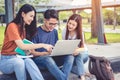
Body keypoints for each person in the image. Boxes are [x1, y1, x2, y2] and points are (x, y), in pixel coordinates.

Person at [0, 4, 53, 80]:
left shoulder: (24, 28)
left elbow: (22, 49)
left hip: (19, 57)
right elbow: (22, 46)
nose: (32, 19)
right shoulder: (12, 26)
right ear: (23, 14)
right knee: (19, 62)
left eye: (33, 17)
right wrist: (43, 45)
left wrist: (30, 52)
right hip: (6, 61)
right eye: (31, 16)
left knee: (29, 61)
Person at [31, 9, 74, 80]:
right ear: (45, 20)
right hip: (40, 60)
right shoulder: (35, 32)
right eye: (50, 24)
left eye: (55, 24)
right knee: (47, 59)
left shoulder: (54, 31)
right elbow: (32, 53)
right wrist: (45, 53)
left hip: (52, 58)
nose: (53, 26)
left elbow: (55, 47)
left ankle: (62, 78)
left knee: (70, 57)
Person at [62, 14, 89, 80]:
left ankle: (82, 77)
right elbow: (64, 45)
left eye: (73, 25)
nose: (70, 26)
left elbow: (83, 48)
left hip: (83, 54)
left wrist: (77, 50)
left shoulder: (80, 32)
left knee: (78, 55)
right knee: (71, 63)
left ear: (77, 26)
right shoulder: (65, 31)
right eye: (69, 23)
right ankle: (64, 77)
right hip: (71, 54)